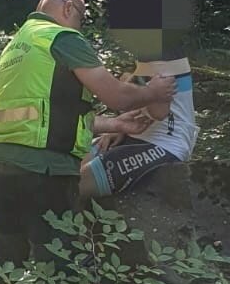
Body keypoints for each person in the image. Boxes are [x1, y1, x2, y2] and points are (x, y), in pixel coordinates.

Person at [0, 0, 175, 284]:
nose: (80, 23)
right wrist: (154, 90)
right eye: (81, 15)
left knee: (7, 256)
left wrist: (115, 126)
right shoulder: (63, 38)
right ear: (67, 9)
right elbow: (116, 93)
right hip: (44, 171)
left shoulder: (18, 44)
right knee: (56, 261)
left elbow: (50, 114)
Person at [80, 56, 197, 201]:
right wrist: (118, 127)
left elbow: (159, 112)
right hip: (135, 134)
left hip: (165, 143)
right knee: (69, 164)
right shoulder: (143, 53)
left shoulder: (163, 53)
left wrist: (128, 89)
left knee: (77, 183)